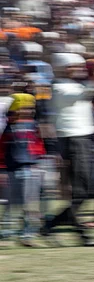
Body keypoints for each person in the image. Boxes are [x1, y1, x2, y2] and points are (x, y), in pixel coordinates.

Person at [41, 53, 94, 246]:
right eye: (73, 66)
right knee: (81, 191)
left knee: (92, 189)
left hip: (84, 139)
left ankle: (50, 224)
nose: (79, 69)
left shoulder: (75, 85)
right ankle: (80, 234)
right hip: (73, 140)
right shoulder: (58, 87)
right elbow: (86, 93)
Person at [0, 94, 45, 246]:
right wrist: (2, 169)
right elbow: (2, 149)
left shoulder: (33, 125)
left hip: (31, 167)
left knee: (30, 204)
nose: (27, 111)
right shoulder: (7, 127)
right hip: (13, 169)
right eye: (23, 108)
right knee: (11, 203)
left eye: (30, 109)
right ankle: (5, 232)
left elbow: (38, 144)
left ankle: (27, 235)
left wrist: (39, 158)